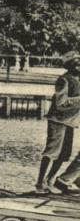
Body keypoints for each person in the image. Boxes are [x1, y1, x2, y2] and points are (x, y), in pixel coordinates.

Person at [35, 51, 80, 194]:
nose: (79, 66)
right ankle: (39, 183)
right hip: (57, 120)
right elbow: (61, 103)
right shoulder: (63, 80)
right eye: (76, 64)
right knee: (51, 152)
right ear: (69, 66)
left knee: (64, 154)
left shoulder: (77, 79)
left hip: (69, 122)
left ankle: (49, 181)